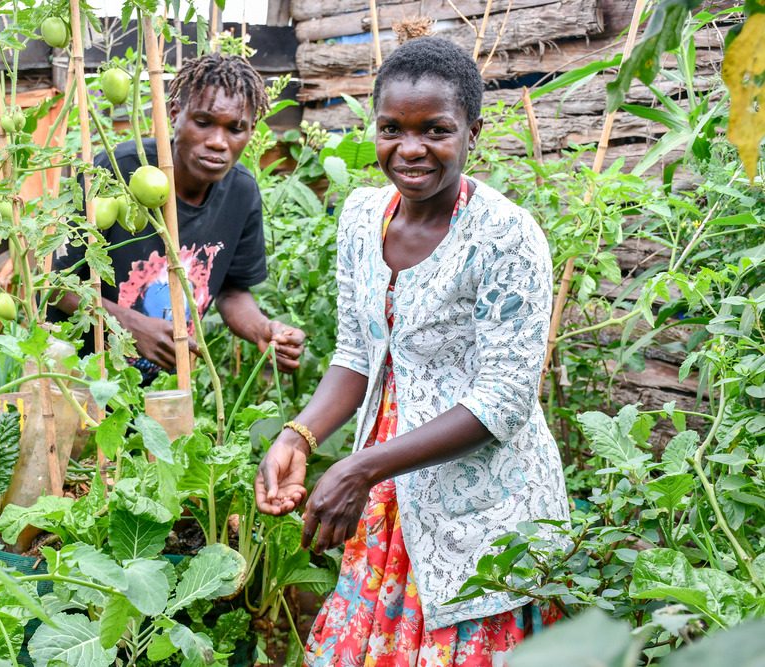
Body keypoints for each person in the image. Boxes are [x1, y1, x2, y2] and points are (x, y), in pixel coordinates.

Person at [255, 37, 569, 666]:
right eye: (391, 128)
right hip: (385, 496)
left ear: (473, 133)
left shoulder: (507, 236)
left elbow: (503, 402)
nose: (410, 148)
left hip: (480, 502)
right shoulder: (362, 217)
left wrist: (362, 467)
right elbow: (358, 354)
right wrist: (299, 437)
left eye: (436, 130)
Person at [50, 53, 304, 382]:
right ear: (175, 114)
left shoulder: (241, 193)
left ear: (252, 131)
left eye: (235, 129)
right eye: (203, 122)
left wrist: (263, 330)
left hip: (163, 392)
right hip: (79, 382)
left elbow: (232, 291)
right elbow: (55, 283)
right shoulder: (115, 172)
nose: (217, 142)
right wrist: (125, 323)